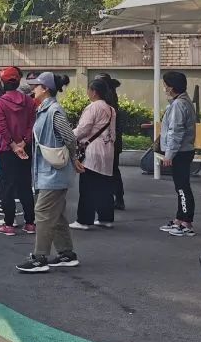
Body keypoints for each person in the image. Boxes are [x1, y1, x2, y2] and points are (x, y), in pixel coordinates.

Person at [17, 73, 81, 273]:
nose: (32, 89)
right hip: (49, 172)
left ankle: (39, 257)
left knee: (43, 213)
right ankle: (66, 253)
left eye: (36, 86)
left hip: (53, 173)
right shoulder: (46, 109)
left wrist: (74, 158)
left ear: (45, 88)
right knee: (57, 214)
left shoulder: (53, 110)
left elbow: (69, 137)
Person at [0, 67, 36, 236]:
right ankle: (30, 223)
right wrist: (23, 143)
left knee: (7, 186)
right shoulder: (29, 101)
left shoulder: (0, 102)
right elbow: (32, 124)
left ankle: (9, 224)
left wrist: (13, 145)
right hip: (25, 148)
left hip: (6, 150)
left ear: (3, 83)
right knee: (25, 185)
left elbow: (1, 126)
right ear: (18, 82)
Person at [70, 78, 117, 231]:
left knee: (87, 187)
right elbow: (113, 133)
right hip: (107, 150)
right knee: (105, 187)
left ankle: (84, 220)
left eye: (89, 90)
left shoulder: (93, 107)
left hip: (92, 151)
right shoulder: (111, 109)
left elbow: (83, 129)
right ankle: (106, 218)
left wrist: (69, 135)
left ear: (94, 92)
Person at [157, 71, 198, 237]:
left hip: (181, 152)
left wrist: (169, 154)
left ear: (171, 88)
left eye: (165, 86)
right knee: (181, 186)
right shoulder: (183, 102)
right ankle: (179, 219)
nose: (164, 89)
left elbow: (176, 131)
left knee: (182, 188)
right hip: (184, 151)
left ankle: (186, 222)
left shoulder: (178, 105)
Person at [95, 72, 126, 210]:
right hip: (114, 141)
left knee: (108, 171)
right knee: (113, 170)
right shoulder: (112, 97)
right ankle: (118, 198)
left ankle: (111, 199)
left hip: (108, 142)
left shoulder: (106, 102)